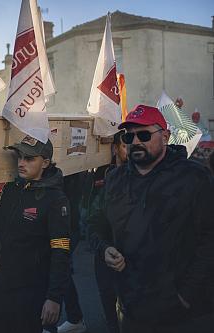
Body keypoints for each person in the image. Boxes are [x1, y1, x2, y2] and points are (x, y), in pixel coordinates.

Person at [91, 105, 214, 333]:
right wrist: (105, 248)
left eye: (144, 134)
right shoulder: (115, 180)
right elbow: (95, 224)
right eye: (129, 136)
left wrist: (186, 294)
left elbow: (210, 239)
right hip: (133, 309)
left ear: (165, 137)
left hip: (185, 313)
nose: (135, 141)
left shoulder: (194, 177)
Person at [0, 136, 71, 333]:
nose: (21, 163)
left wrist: (54, 297)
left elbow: (61, 252)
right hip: (3, 284)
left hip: (34, 290)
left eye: (29, 158)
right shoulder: (11, 189)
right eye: (19, 157)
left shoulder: (55, 198)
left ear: (45, 162)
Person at [85, 130, 127, 333]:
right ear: (116, 148)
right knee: (108, 301)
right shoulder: (102, 174)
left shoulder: (147, 178)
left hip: (133, 261)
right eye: (126, 144)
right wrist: (103, 248)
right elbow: (91, 219)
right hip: (106, 254)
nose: (133, 147)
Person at [57, 172, 87, 333]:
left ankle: (74, 318)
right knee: (62, 269)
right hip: (64, 227)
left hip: (67, 229)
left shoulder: (70, 173)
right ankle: (75, 318)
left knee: (60, 269)